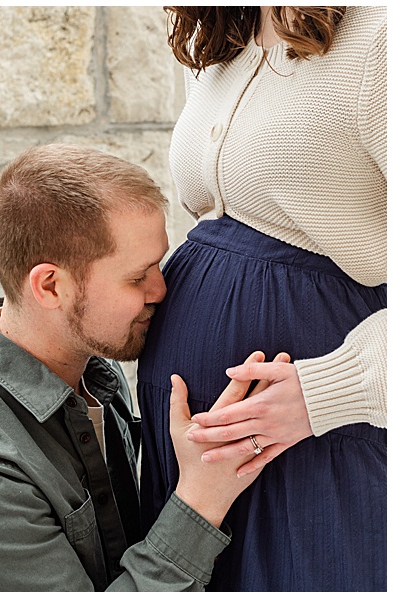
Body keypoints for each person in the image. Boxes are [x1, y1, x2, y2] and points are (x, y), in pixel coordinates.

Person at [137, 6, 386, 591]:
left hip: (312, 436)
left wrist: (328, 391)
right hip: (196, 444)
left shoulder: (378, 40)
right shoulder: (220, 32)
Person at [0, 143, 289, 591]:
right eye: (137, 277)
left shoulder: (98, 375)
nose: (160, 290)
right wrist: (201, 499)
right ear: (51, 286)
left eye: (159, 265)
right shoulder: (0, 467)